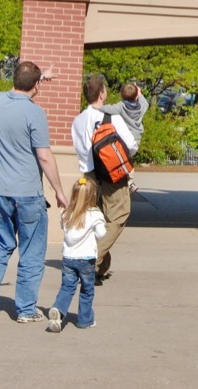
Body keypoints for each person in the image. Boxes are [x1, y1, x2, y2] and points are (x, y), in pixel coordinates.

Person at [0, 61, 68, 323]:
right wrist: (59, 191)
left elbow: (19, 85)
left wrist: (39, 76)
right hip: (28, 194)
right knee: (31, 252)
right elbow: (44, 156)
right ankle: (26, 310)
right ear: (36, 86)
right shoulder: (35, 113)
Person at [72, 73, 136, 282]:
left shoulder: (78, 121)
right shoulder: (111, 118)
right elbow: (131, 147)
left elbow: (81, 151)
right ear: (101, 94)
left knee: (96, 219)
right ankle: (92, 262)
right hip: (113, 176)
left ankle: (101, 268)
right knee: (117, 217)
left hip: (89, 176)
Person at [47, 176, 108, 333]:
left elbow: (64, 228)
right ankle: (85, 320)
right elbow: (102, 235)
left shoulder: (66, 213)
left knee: (67, 287)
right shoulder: (95, 215)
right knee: (87, 290)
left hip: (68, 258)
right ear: (92, 196)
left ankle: (58, 311)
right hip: (86, 260)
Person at [101, 81, 149, 192]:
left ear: (121, 95)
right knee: (128, 159)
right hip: (136, 139)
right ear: (136, 95)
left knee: (122, 159)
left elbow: (109, 109)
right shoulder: (141, 107)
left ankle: (129, 181)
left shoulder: (121, 106)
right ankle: (130, 180)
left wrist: (98, 107)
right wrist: (139, 93)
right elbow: (145, 103)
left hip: (125, 138)